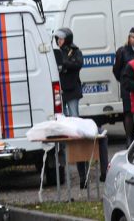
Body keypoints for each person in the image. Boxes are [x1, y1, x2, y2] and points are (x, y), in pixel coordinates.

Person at [54, 27, 88, 188]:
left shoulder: (75, 51)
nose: (59, 41)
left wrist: (65, 65)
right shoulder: (56, 52)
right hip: (61, 91)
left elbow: (78, 64)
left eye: (61, 39)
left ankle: (77, 139)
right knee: (63, 120)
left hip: (72, 90)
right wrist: (64, 66)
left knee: (75, 118)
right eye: (58, 39)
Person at [112, 26, 134, 146]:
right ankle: (129, 139)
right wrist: (124, 81)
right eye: (133, 37)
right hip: (127, 87)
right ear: (129, 38)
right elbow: (116, 70)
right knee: (128, 112)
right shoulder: (122, 51)